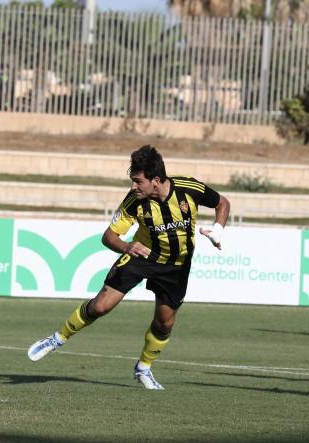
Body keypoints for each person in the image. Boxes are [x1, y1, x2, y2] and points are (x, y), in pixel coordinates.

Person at [27, 145, 230, 390]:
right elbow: (109, 236)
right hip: (140, 255)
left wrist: (218, 231)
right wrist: (126, 247)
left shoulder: (189, 189)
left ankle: (144, 368)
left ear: (156, 180)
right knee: (101, 306)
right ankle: (58, 338)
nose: (134, 186)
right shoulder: (134, 201)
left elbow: (222, 203)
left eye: (138, 181)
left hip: (176, 266)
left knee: (164, 324)